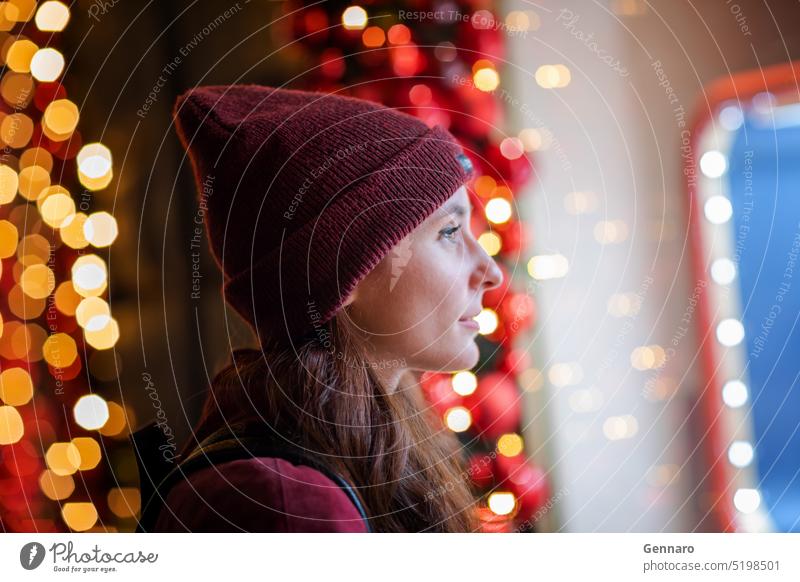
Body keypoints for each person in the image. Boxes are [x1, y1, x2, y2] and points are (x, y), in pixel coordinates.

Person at [153, 84, 503, 532]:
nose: (490, 271)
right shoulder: (289, 505)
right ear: (344, 270)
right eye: (450, 232)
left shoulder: (380, 443)